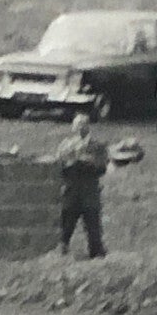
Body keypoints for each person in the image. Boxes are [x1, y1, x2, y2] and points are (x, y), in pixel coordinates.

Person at [54, 111, 109, 259]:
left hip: (89, 191)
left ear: (88, 127)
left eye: (83, 125)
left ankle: (96, 252)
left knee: (93, 225)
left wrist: (89, 163)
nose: (80, 128)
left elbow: (102, 166)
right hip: (71, 191)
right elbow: (58, 166)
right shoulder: (65, 145)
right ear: (73, 127)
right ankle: (61, 251)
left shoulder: (97, 145)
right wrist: (70, 164)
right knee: (66, 225)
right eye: (78, 125)